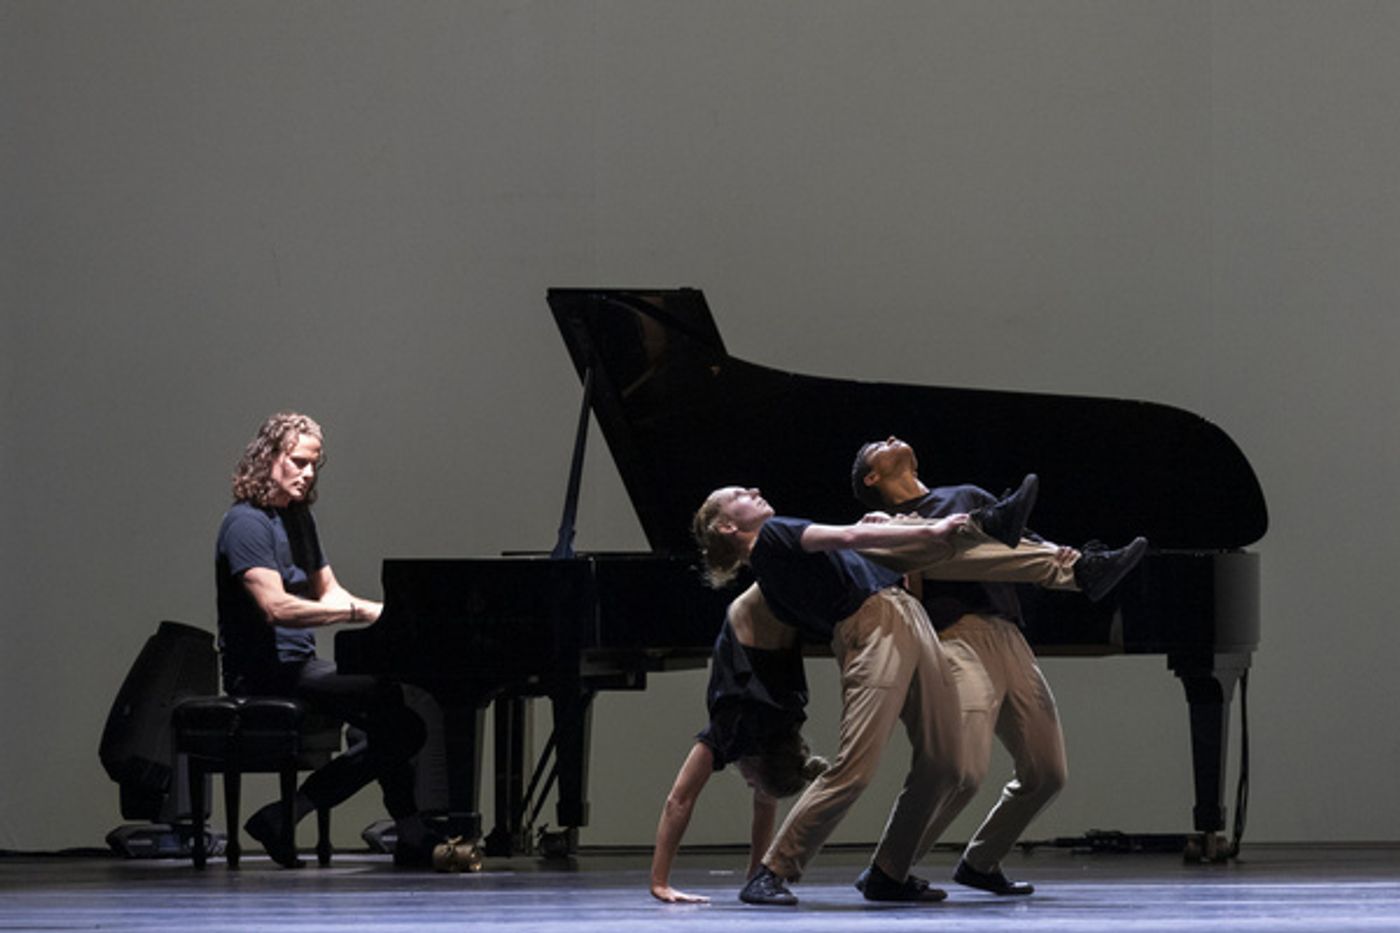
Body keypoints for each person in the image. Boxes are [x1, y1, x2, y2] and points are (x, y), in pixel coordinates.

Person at [690, 479, 1038, 906]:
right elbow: (850, 538)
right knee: (856, 765)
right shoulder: (775, 533)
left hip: (905, 616)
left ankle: (889, 874)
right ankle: (772, 870)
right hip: (875, 627)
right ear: (726, 527)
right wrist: (930, 530)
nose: (754, 488)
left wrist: (874, 527)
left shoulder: (776, 567)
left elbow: (848, 548)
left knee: (949, 763)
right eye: (739, 495)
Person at [851, 436, 1147, 896]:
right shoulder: (885, 524)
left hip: (1007, 633)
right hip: (953, 636)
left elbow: (1018, 540)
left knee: (1047, 773)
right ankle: (888, 870)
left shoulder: (965, 494)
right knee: (963, 770)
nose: (890, 437)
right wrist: (888, 529)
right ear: (872, 477)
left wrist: (1056, 549)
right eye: (877, 445)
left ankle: (981, 862)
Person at [214, 412, 433, 867]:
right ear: (267, 458)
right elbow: (277, 609)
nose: (308, 473)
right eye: (297, 462)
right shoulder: (246, 525)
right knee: (397, 717)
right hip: (262, 673)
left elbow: (329, 592)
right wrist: (356, 612)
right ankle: (403, 830)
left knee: (387, 718)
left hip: (300, 668)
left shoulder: (297, 518)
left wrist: (384, 613)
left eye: (314, 464)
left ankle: (291, 815)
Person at [650, 584, 826, 903]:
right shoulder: (730, 731)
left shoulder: (785, 735)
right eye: (752, 781)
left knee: (790, 556)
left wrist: (756, 876)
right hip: (750, 623)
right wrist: (659, 882)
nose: (746, 782)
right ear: (758, 764)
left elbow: (765, 799)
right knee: (777, 552)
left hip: (782, 631)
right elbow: (679, 800)